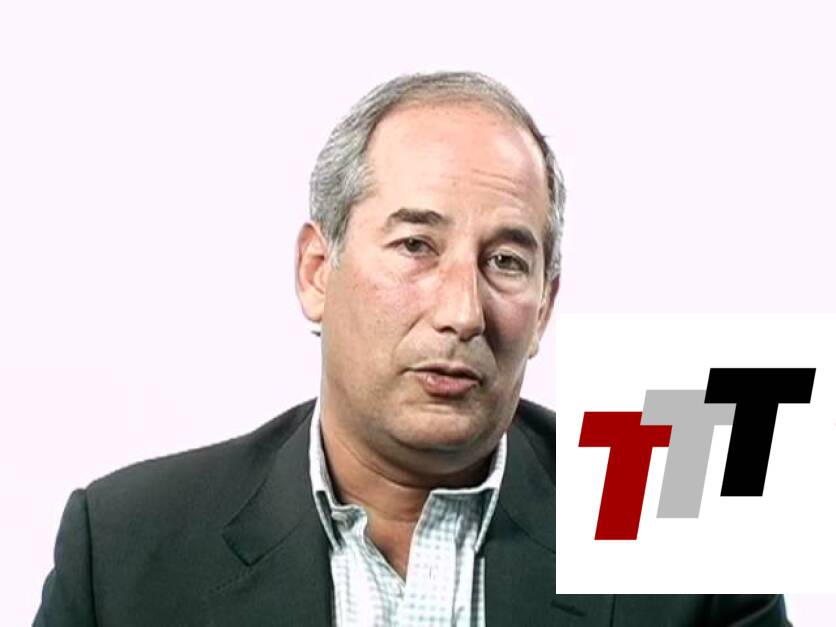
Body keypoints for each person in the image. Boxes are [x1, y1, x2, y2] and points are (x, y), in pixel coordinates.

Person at [34, 72, 789, 626]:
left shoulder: (683, 535)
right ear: (317, 272)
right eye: (416, 245)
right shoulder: (127, 548)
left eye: (506, 262)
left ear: (544, 307)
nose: (463, 313)